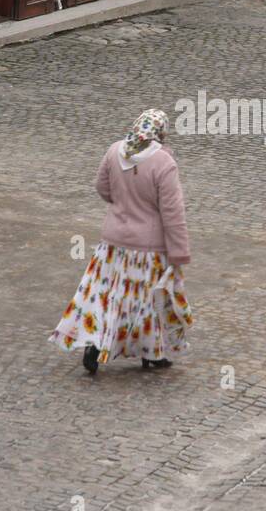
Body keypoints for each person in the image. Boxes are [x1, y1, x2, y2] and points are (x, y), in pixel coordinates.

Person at [50, 109, 193, 375]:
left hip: (113, 244)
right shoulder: (164, 164)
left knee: (106, 296)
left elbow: (102, 188)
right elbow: (173, 213)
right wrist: (180, 252)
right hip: (149, 249)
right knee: (146, 302)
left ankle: (94, 343)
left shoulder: (115, 151)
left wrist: (121, 206)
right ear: (160, 133)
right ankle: (151, 354)